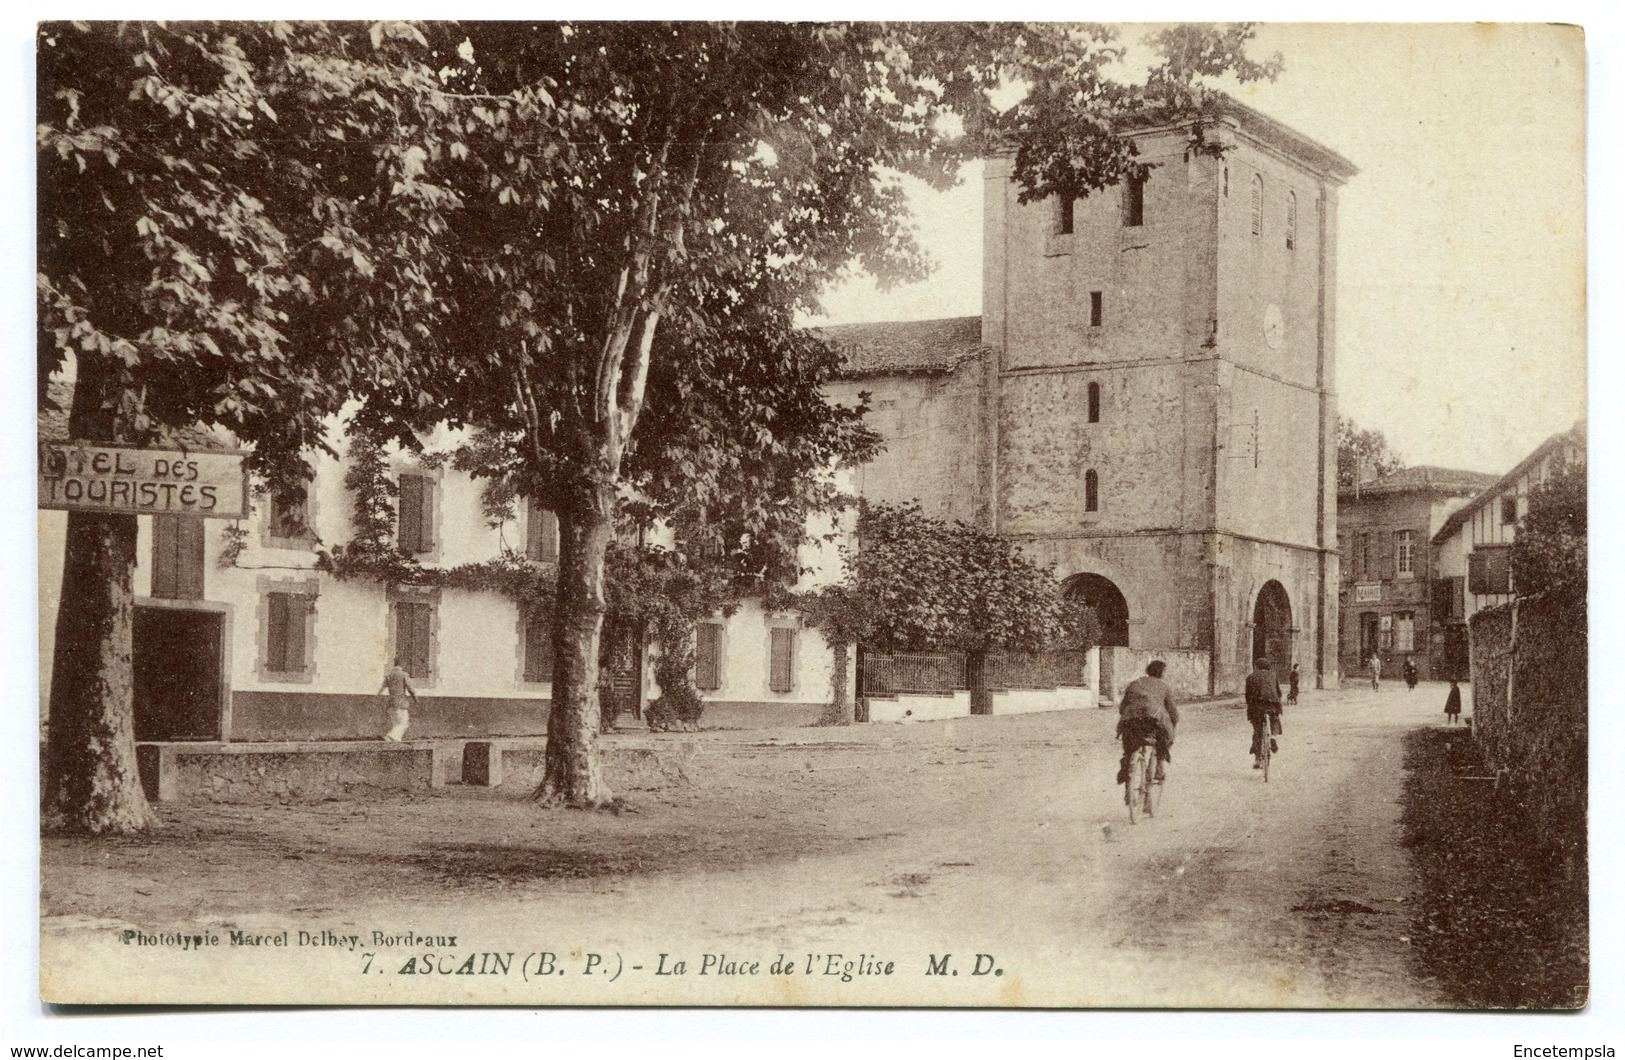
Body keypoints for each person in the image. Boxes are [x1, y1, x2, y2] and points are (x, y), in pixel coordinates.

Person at [1115, 660, 1179, 785]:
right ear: (1162, 673)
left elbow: (1122, 707)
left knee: (1128, 740)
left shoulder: (1134, 683)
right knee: (1164, 737)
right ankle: (1159, 769)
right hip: (1153, 721)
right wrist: (1173, 725)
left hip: (1131, 721)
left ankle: (1126, 763)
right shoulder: (1164, 686)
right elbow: (1173, 712)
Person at [1245, 656, 1283, 769]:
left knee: (1257, 730)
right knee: (1275, 719)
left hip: (1257, 707)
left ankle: (1257, 759)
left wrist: (1250, 706)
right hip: (1272, 705)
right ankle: (1273, 737)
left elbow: (1248, 695)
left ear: (1256, 666)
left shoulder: (1251, 676)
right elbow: (1279, 693)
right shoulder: (1273, 676)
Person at [380, 657, 417, 741]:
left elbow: (382, 688)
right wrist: (415, 698)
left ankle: (394, 740)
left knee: (396, 723)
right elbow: (410, 689)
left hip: (391, 703)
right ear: (402, 664)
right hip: (401, 703)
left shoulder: (389, 675)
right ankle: (390, 736)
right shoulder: (404, 675)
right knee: (404, 722)